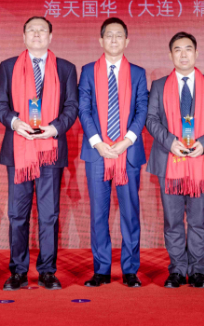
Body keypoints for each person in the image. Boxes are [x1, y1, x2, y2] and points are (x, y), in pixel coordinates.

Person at [0, 16, 79, 291]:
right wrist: (14, 123)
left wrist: (54, 128)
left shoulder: (65, 68)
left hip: (50, 150)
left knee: (49, 215)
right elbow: (0, 103)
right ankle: (18, 271)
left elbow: (72, 106)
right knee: (17, 215)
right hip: (18, 150)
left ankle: (47, 271)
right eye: (32, 30)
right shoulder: (8, 66)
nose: (37, 34)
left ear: (51, 37)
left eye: (42, 30)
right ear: (24, 36)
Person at [145, 32, 204, 289]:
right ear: (171, 55)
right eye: (178, 50)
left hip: (201, 160)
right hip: (169, 160)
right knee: (172, 220)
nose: (183, 54)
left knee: (198, 219)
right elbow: (151, 119)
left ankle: (198, 270)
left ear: (196, 53)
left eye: (188, 49)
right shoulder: (159, 85)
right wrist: (170, 142)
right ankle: (178, 270)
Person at [77, 18, 150, 288]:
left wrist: (127, 141)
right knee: (99, 213)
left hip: (127, 153)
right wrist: (98, 143)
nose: (114, 40)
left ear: (127, 41)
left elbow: (142, 109)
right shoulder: (87, 71)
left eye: (119, 35)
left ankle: (130, 269)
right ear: (101, 40)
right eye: (109, 35)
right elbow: (84, 109)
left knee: (130, 213)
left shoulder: (138, 73)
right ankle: (102, 269)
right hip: (97, 153)